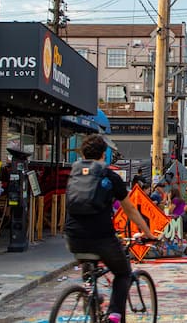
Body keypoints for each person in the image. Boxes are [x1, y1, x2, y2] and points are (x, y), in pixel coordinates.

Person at [64, 135, 156, 323]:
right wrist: (147, 232)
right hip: (101, 237)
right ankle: (114, 314)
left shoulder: (74, 173)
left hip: (73, 236)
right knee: (123, 273)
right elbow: (130, 209)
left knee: (89, 267)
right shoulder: (109, 176)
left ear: (82, 153)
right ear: (103, 155)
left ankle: (91, 300)